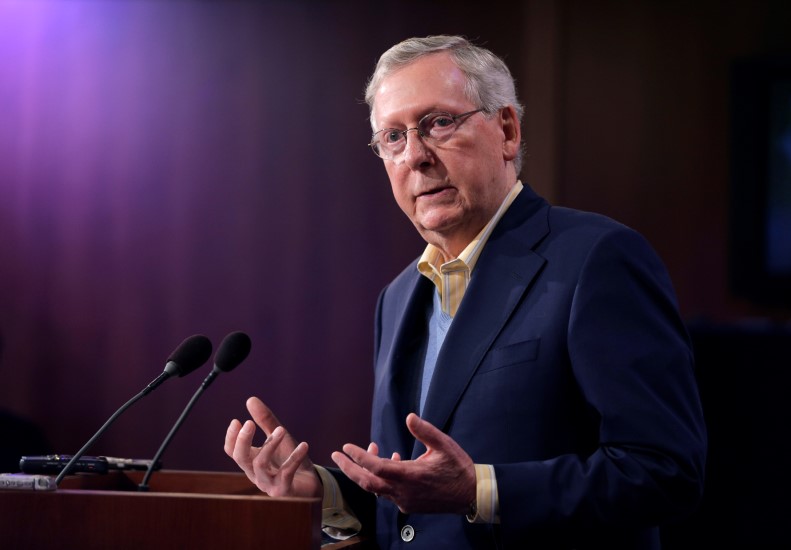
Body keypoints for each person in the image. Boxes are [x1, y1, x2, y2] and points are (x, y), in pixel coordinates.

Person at [224, 35, 707, 549]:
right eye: (392, 136)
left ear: (507, 130)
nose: (415, 156)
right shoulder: (399, 295)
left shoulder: (597, 259)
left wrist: (481, 490)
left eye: (438, 123)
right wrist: (324, 493)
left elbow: (665, 472)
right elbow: (417, 506)